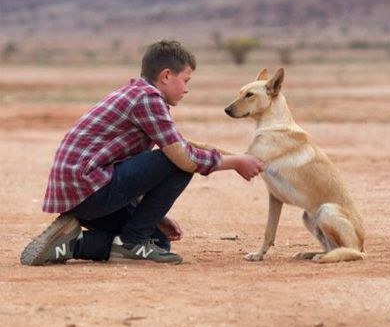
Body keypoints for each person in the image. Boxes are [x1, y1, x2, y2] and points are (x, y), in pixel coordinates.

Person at [20, 40, 263, 266]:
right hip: (89, 191)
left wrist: (150, 217)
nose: (187, 89)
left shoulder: (136, 94)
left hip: (81, 194)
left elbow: (124, 165)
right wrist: (235, 162)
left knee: (157, 243)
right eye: (186, 80)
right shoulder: (148, 98)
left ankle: (71, 245)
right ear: (166, 75)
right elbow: (184, 157)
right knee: (178, 161)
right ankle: (131, 242)